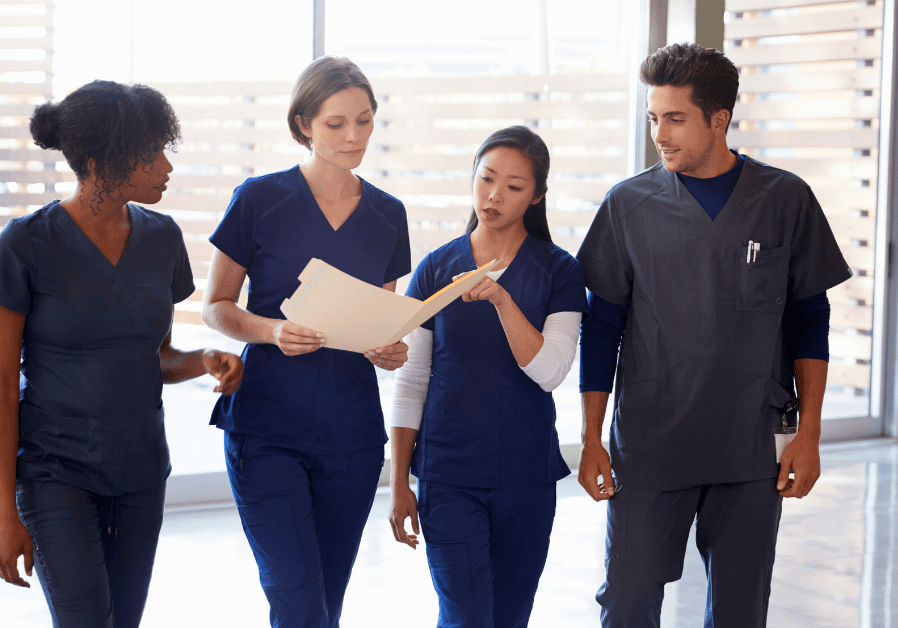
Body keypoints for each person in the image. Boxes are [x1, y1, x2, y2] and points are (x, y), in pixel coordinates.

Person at [576, 43, 853, 626]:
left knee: (740, 611)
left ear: (718, 119)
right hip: (651, 446)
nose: (660, 133)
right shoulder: (628, 205)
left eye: (675, 118)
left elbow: (810, 317)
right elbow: (602, 327)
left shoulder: (785, 200)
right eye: (654, 118)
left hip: (751, 448)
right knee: (626, 603)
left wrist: (810, 434)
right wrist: (591, 436)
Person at [0, 80, 244, 628]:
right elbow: (0, 386)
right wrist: (1, 509)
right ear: (101, 160)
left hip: (139, 471)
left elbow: (154, 358)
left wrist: (202, 359)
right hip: (53, 470)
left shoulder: (162, 239)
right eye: (151, 153)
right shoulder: (24, 245)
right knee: (86, 618)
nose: (166, 166)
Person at [201, 55, 411, 628]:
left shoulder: (389, 216)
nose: (353, 136)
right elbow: (215, 306)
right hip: (267, 429)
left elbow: (377, 321)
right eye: (336, 123)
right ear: (303, 125)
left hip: (352, 435)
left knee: (326, 606)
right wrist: (270, 331)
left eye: (364, 121)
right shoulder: (258, 198)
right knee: (297, 603)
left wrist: (390, 349)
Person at [389, 125, 587, 628]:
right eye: (486, 179)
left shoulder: (561, 272)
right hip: (449, 476)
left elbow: (550, 373)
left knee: (509, 617)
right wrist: (398, 482)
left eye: (514, 186)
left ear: (537, 195)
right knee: (466, 616)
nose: (494, 196)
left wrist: (500, 299)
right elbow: (412, 381)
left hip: (527, 478)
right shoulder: (435, 269)